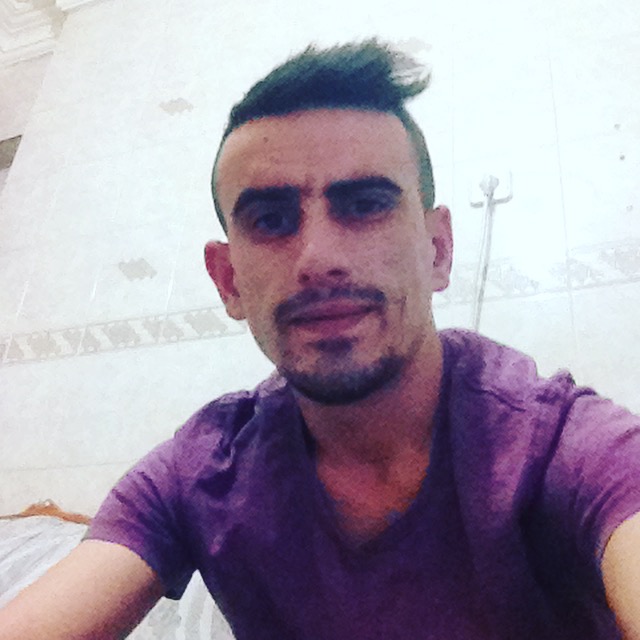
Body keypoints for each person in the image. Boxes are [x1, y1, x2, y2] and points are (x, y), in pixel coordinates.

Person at [1, 40, 640, 640]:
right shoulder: (199, 473)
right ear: (228, 280)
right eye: (271, 219)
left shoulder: (568, 448)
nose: (319, 258)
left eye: (364, 205)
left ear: (438, 250)